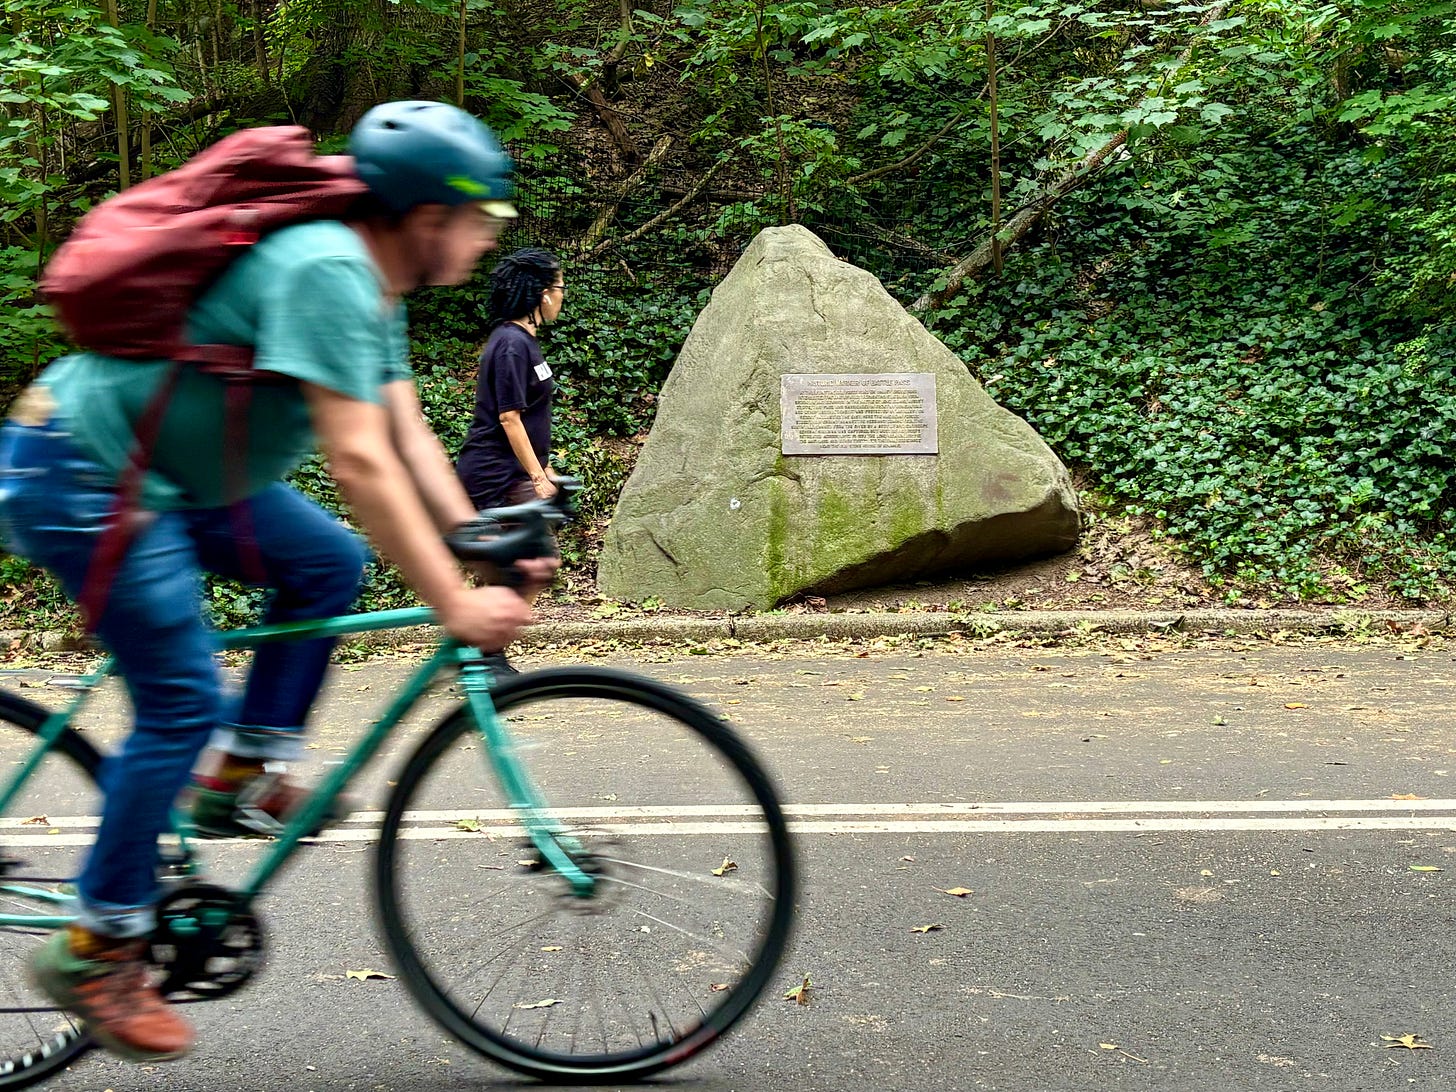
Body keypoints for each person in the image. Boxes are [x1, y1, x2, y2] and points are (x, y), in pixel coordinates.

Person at [0, 101, 555, 1063]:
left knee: (327, 561)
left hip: (172, 478)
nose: (486, 237)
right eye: (481, 218)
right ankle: (96, 944)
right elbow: (358, 462)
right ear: (428, 219)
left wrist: (480, 538)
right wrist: (456, 601)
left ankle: (242, 771)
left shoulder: (371, 284)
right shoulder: (329, 269)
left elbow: (405, 434)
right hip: (85, 468)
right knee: (177, 703)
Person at [455, 247, 566, 512]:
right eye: (561, 288)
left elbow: (532, 415)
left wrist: (545, 466)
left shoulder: (524, 342)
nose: (563, 296)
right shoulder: (511, 345)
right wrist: (538, 479)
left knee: (538, 553)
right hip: (495, 479)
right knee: (539, 554)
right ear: (545, 295)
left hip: (514, 475)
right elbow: (509, 417)